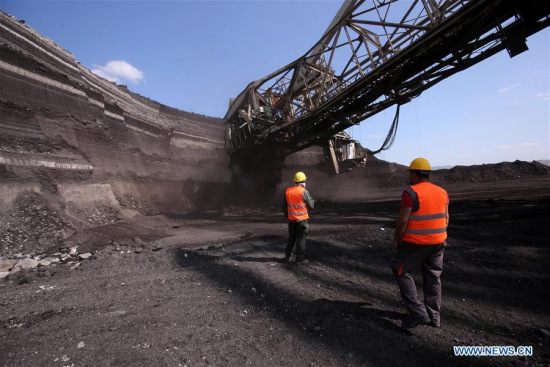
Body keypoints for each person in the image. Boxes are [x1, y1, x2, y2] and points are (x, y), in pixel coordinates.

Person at [392, 158, 449, 329]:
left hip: (416, 243)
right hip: (438, 242)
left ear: (415, 174)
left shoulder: (411, 193)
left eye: (410, 173)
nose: (409, 176)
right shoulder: (442, 192)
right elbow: (446, 217)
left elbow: (402, 222)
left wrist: (397, 239)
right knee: (433, 276)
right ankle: (435, 317)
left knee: (400, 270)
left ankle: (418, 313)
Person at [283, 171, 314, 264]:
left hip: (291, 220)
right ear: (303, 182)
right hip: (302, 221)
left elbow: (284, 206)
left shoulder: (288, 191)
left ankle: (287, 257)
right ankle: (299, 260)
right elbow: (311, 205)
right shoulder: (304, 191)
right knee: (301, 239)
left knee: (291, 238)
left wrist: (288, 215)